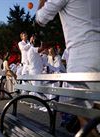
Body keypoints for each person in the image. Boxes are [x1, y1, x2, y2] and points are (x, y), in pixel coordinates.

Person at [36, 0, 100, 135]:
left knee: (83, 111)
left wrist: (41, 1)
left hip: (82, 54)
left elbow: (40, 19)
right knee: (96, 108)